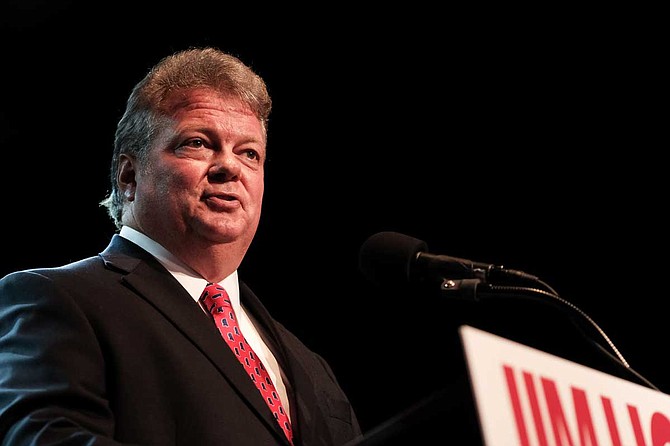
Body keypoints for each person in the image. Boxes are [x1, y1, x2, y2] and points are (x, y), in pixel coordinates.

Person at [0, 46, 362, 446]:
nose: (230, 166)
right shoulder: (55, 300)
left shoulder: (311, 367)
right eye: (198, 143)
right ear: (128, 176)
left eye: (249, 153)